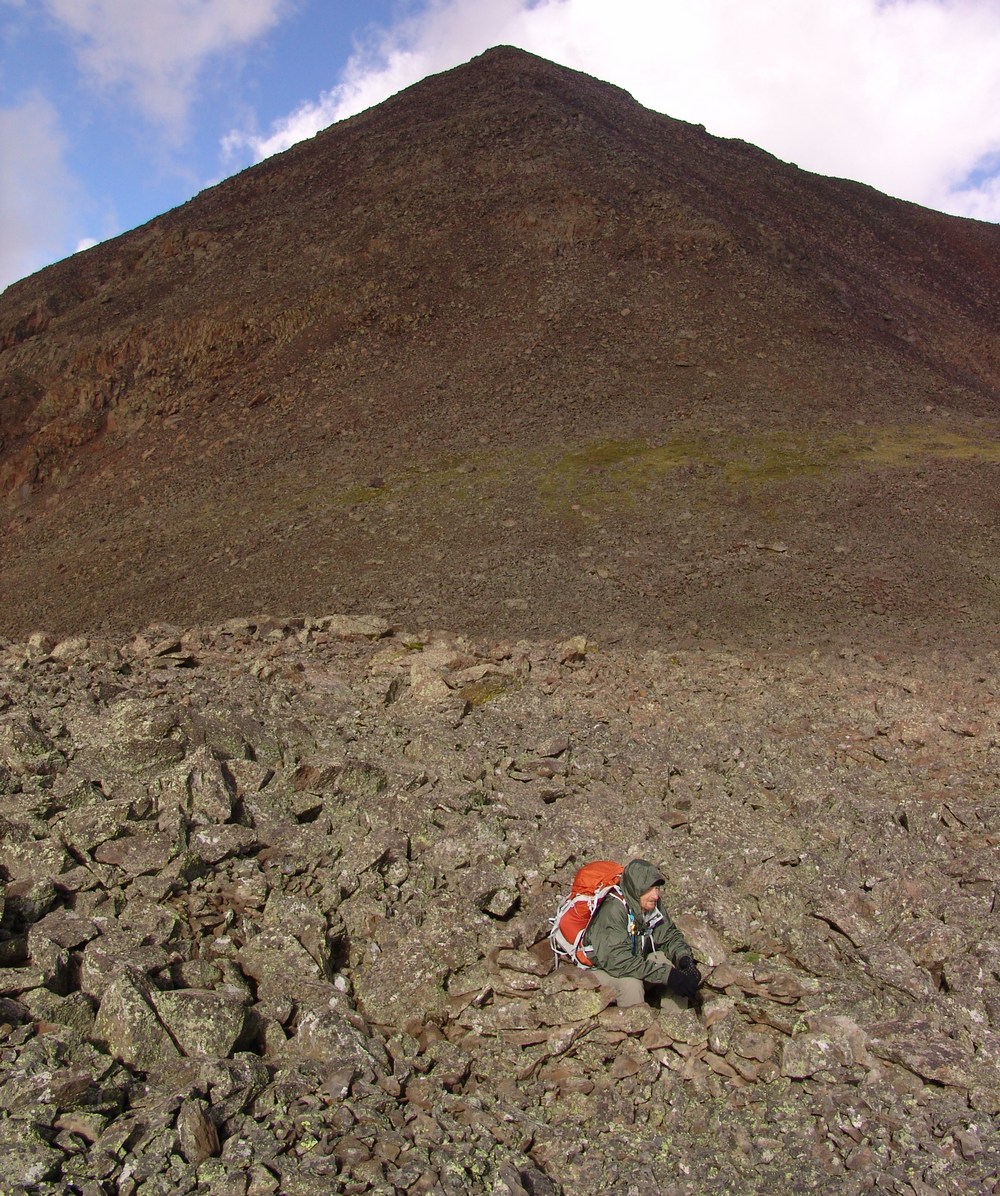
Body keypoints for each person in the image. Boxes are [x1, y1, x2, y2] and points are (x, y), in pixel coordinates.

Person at [581, 858, 701, 1008]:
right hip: (599, 969)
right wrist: (666, 975)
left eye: (657, 888)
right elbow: (618, 961)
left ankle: (676, 1024)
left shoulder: (651, 904)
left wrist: (684, 959)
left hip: (633, 960)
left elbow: (669, 936)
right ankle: (634, 1028)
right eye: (648, 889)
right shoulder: (613, 910)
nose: (655, 895)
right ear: (635, 889)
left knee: (674, 969)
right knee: (631, 984)